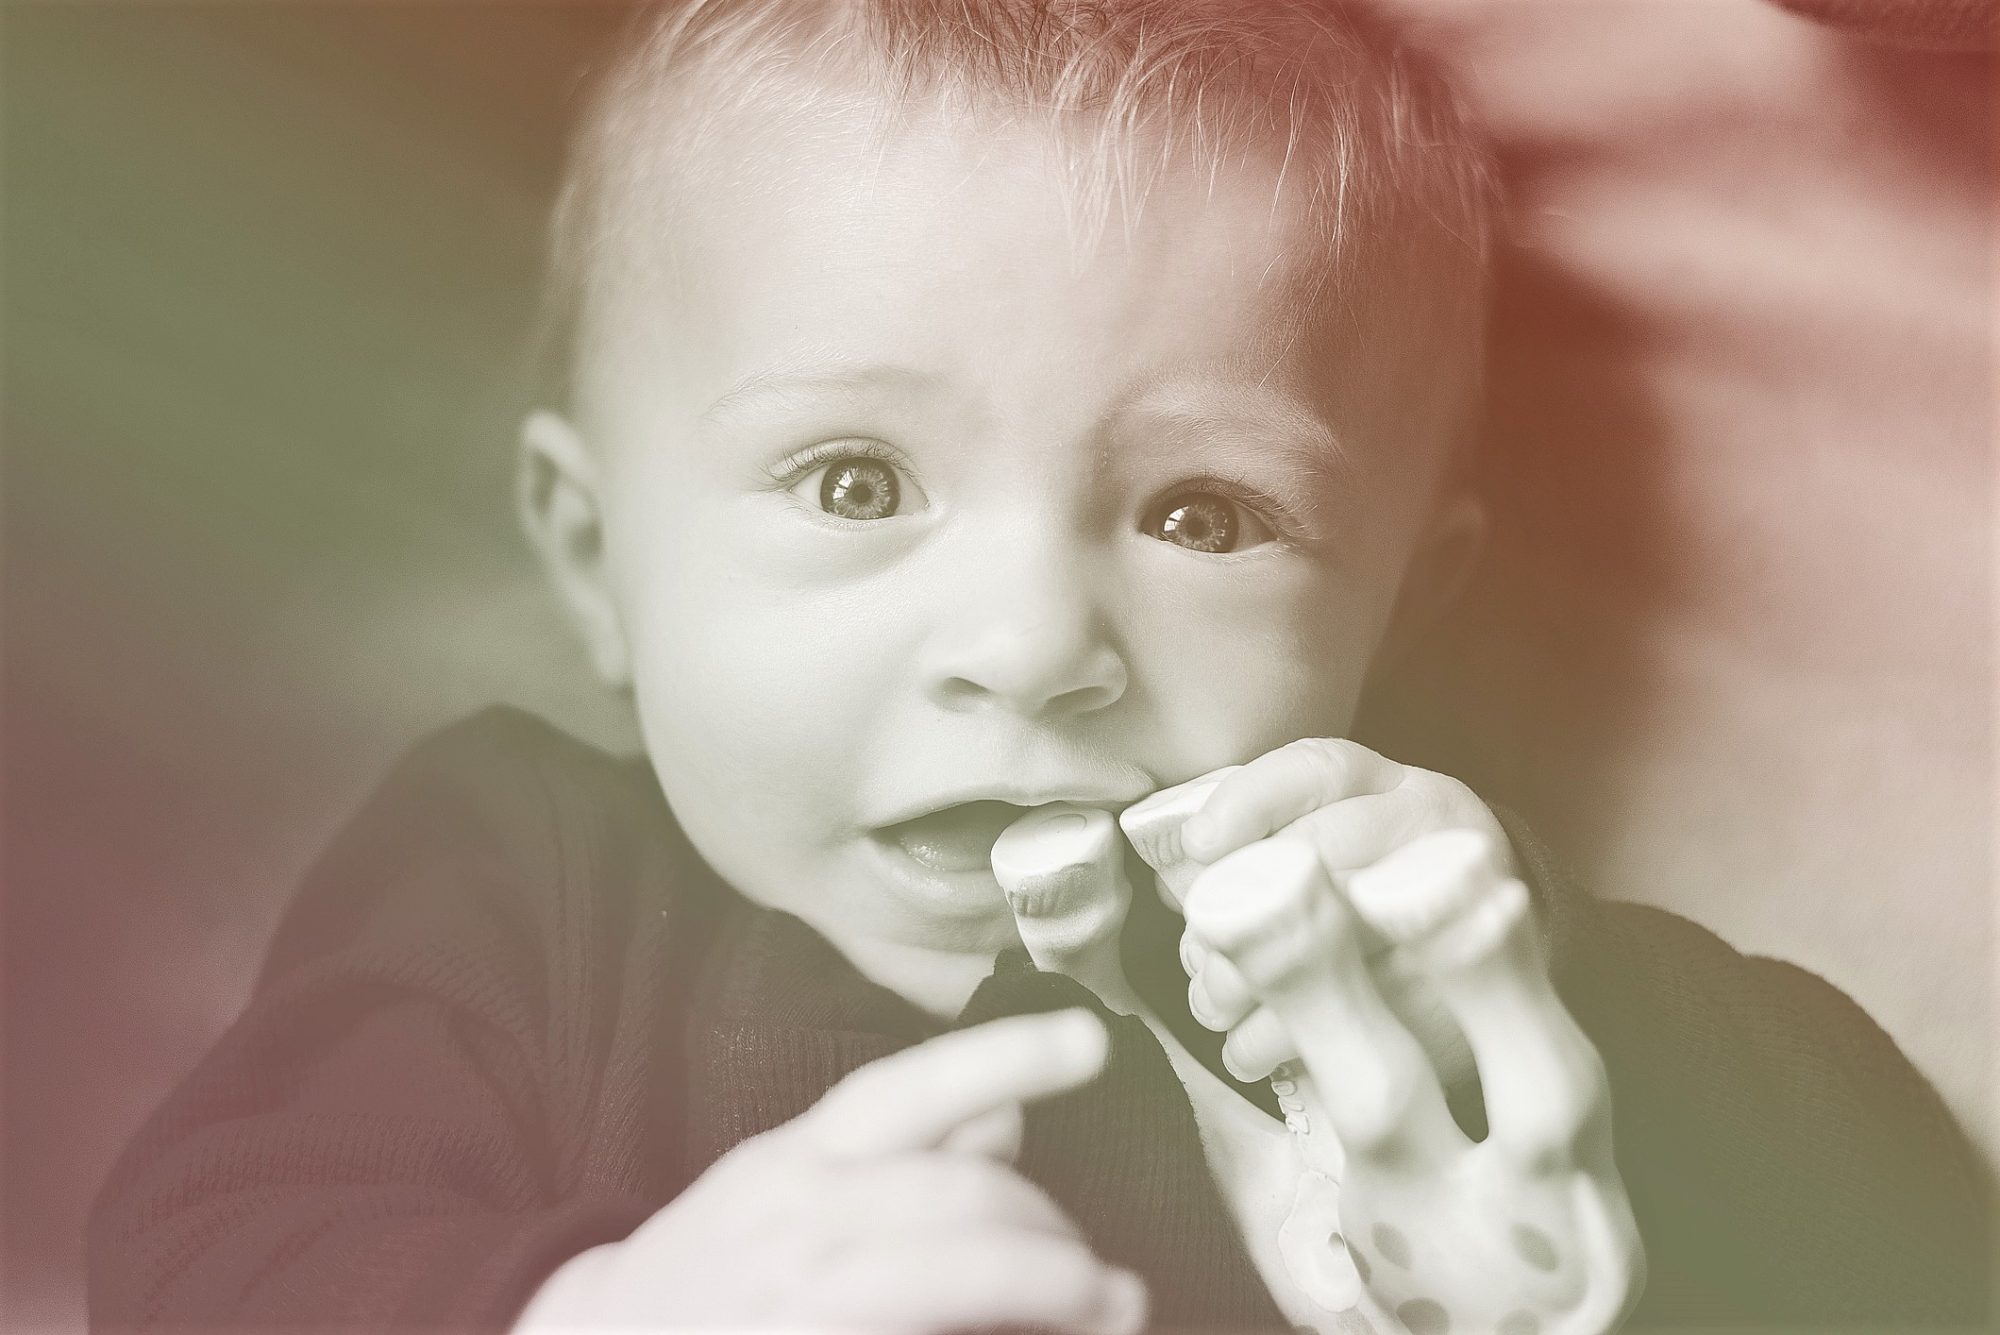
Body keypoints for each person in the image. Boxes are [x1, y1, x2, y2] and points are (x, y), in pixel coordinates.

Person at [87, 1, 1989, 1330]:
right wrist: (577, 1316)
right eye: (853, 481)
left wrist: (1556, 1030)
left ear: (1401, 608)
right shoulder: (528, 884)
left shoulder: (1409, 958)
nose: (1032, 653)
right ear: (598, 560)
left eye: (1203, 517)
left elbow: (1921, 1250)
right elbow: (211, 1250)